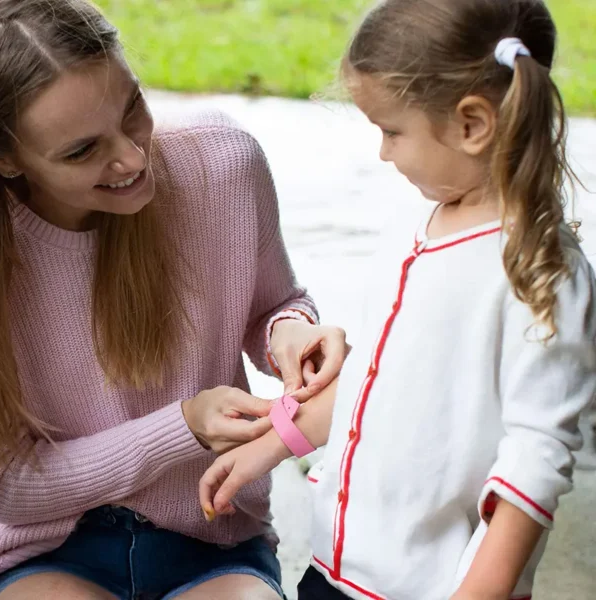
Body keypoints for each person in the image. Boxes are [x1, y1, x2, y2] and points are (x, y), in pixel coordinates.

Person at [199, 1, 596, 599]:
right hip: (339, 570)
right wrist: (274, 443)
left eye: (392, 131)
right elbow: (374, 384)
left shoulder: (539, 271)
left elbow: (536, 457)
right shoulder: (423, 225)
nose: (383, 153)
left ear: (471, 124)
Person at [0, 1, 348, 599]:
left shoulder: (225, 167)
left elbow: (274, 303)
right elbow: (11, 487)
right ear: (6, 159)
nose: (132, 157)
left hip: (213, 541)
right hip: (46, 552)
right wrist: (183, 425)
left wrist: (291, 330)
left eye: (132, 106)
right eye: (82, 150)